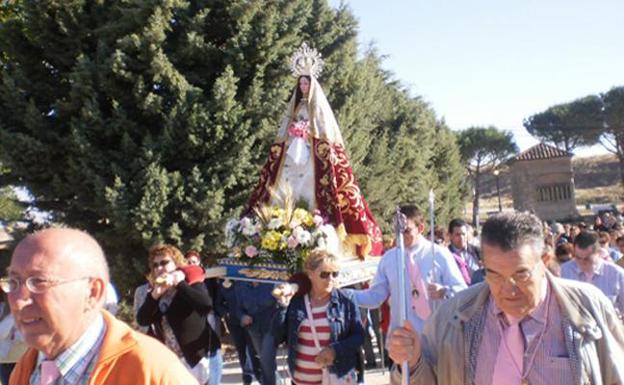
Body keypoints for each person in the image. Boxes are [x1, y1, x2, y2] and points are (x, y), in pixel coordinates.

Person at [387, 212, 624, 385]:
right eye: (495, 275)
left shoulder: (587, 307)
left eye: (521, 274)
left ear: (543, 261)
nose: (508, 290)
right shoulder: (453, 318)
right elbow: (422, 379)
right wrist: (411, 360)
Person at [2, 228, 199, 385]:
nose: (19, 301)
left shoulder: (152, 372)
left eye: (39, 282)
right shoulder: (26, 370)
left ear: (92, 292)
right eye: (13, 282)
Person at [245, 43, 383, 258]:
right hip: (292, 157)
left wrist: (307, 133)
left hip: (312, 158)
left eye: (306, 83)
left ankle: (315, 229)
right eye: (300, 83)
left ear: (312, 85)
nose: (303, 87)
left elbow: (324, 134)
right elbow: (284, 132)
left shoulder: (319, 109)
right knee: (282, 187)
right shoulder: (295, 108)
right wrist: (294, 131)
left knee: (312, 190)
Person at [351, 205, 467, 336]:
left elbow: (463, 291)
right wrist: (345, 295)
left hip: (436, 339)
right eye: (397, 231)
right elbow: (375, 297)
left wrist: (444, 291)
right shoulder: (389, 259)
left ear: (420, 228)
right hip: (402, 342)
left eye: (406, 231)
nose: (401, 236)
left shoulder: (439, 254)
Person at [273, 250, 364, 385]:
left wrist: (335, 350)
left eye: (335, 274)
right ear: (310, 274)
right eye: (325, 274)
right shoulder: (296, 301)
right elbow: (278, 335)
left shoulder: (346, 300)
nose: (331, 279)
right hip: (300, 380)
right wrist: (283, 306)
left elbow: (359, 336)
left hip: (335, 378)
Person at [137, 244, 222, 385]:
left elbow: (205, 305)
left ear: (176, 263)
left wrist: (180, 284)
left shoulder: (190, 282)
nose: (159, 268)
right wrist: (155, 295)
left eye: (164, 262)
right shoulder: (155, 291)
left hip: (203, 356)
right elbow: (143, 320)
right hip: (176, 361)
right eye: (155, 265)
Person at [560, 231, 624, 316]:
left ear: (599, 253)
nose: (582, 262)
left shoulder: (617, 275)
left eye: (587, 259)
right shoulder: (564, 271)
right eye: (578, 258)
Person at [448, 218, 481, 285]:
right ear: (450, 236)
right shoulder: (446, 254)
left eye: (463, 234)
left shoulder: (476, 251)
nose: (461, 237)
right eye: (458, 234)